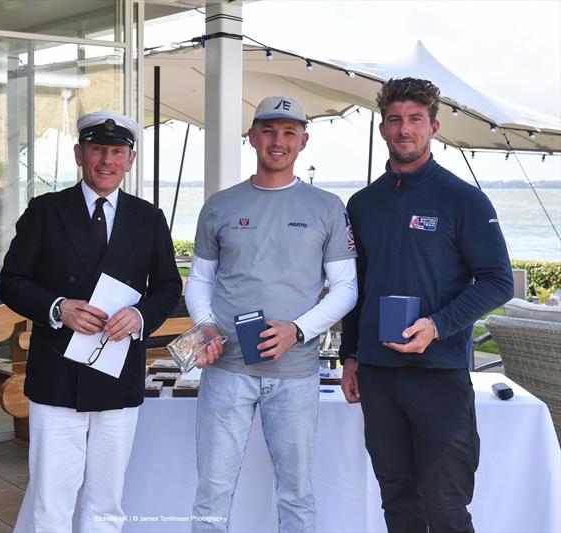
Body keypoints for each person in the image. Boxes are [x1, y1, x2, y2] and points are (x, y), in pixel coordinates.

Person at [339, 77, 513, 533]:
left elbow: (498, 281)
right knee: (397, 502)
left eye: (415, 119)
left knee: (446, 507)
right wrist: (351, 355)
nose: (404, 129)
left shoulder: (464, 200)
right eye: (395, 120)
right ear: (382, 129)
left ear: (433, 127)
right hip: (378, 375)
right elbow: (356, 286)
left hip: (440, 375)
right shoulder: (361, 203)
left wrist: (437, 325)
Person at [2, 112, 181, 533]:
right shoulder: (45, 211)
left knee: (106, 504)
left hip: (117, 374)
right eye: (98, 149)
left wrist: (139, 316)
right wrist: (58, 306)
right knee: (51, 501)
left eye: (117, 151)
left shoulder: (148, 217)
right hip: (57, 377)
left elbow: (169, 287)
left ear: (130, 160)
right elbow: (9, 281)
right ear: (80, 154)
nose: (107, 160)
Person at [186, 96, 358, 532]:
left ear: (303, 140)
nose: (277, 141)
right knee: (212, 492)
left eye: (288, 132)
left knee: (296, 494)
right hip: (225, 369)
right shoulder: (219, 205)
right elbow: (201, 281)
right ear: (251, 136)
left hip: (296, 375)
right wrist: (205, 324)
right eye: (267, 130)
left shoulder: (327, 207)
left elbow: (346, 288)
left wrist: (297, 331)